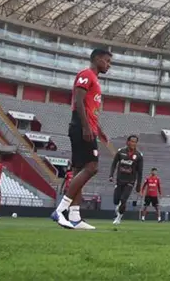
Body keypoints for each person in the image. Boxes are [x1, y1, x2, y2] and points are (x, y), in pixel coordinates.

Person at [51, 49, 112, 230]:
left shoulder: (95, 79)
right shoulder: (86, 75)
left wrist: (98, 129)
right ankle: (60, 210)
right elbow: (78, 101)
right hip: (81, 128)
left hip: (87, 127)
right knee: (92, 167)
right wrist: (86, 127)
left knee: (79, 171)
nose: (109, 65)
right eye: (107, 61)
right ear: (98, 59)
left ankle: (75, 217)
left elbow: (89, 108)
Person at [109, 134, 144, 225]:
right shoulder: (121, 152)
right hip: (119, 180)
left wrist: (138, 185)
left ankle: (119, 217)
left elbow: (140, 172)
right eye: (132, 141)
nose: (133, 143)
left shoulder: (139, 155)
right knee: (116, 200)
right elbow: (114, 164)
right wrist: (111, 175)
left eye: (135, 142)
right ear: (127, 142)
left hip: (130, 181)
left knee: (123, 200)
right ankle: (118, 207)